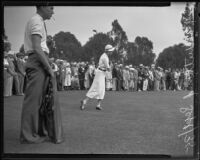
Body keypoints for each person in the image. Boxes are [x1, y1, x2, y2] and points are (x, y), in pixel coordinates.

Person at [20, 5, 64, 144]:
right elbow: (37, 48)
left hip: (39, 60)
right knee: (33, 101)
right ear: (43, 6)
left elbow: (40, 46)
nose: (53, 11)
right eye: (51, 7)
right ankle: (28, 135)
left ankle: (37, 131)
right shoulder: (36, 21)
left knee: (40, 101)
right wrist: (49, 69)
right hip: (37, 61)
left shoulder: (39, 21)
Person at [80, 44, 115, 110]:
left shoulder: (106, 56)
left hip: (102, 73)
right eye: (111, 51)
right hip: (100, 73)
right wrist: (111, 67)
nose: (112, 52)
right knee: (95, 88)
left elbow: (107, 68)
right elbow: (108, 68)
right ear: (108, 51)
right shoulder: (105, 57)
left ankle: (98, 105)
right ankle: (84, 101)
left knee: (102, 89)